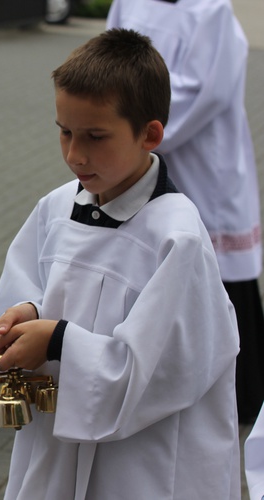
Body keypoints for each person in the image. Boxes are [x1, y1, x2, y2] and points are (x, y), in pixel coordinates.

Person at [0, 29, 240, 499]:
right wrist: (24, 317)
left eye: (95, 137)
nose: (75, 154)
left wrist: (57, 339)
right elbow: (28, 286)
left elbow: (158, 372)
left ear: (150, 134)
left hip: (141, 464)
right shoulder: (55, 210)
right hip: (57, 449)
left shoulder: (176, 238)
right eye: (64, 132)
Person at [107, 0, 264, 424]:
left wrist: (135, 131)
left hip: (201, 157)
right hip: (143, 149)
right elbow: (110, 60)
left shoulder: (209, 10)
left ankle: (237, 392)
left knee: (213, 267)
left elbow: (205, 90)